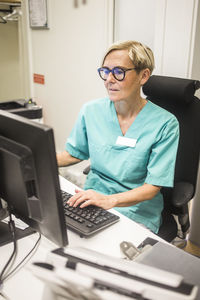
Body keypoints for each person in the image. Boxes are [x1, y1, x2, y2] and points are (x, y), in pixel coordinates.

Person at [57, 40, 179, 234]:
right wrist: (35, 158)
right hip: (92, 198)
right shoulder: (91, 111)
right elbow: (75, 154)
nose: (109, 79)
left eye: (119, 72)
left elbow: (152, 187)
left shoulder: (165, 124)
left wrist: (110, 200)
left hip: (135, 210)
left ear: (143, 75)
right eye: (105, 71)